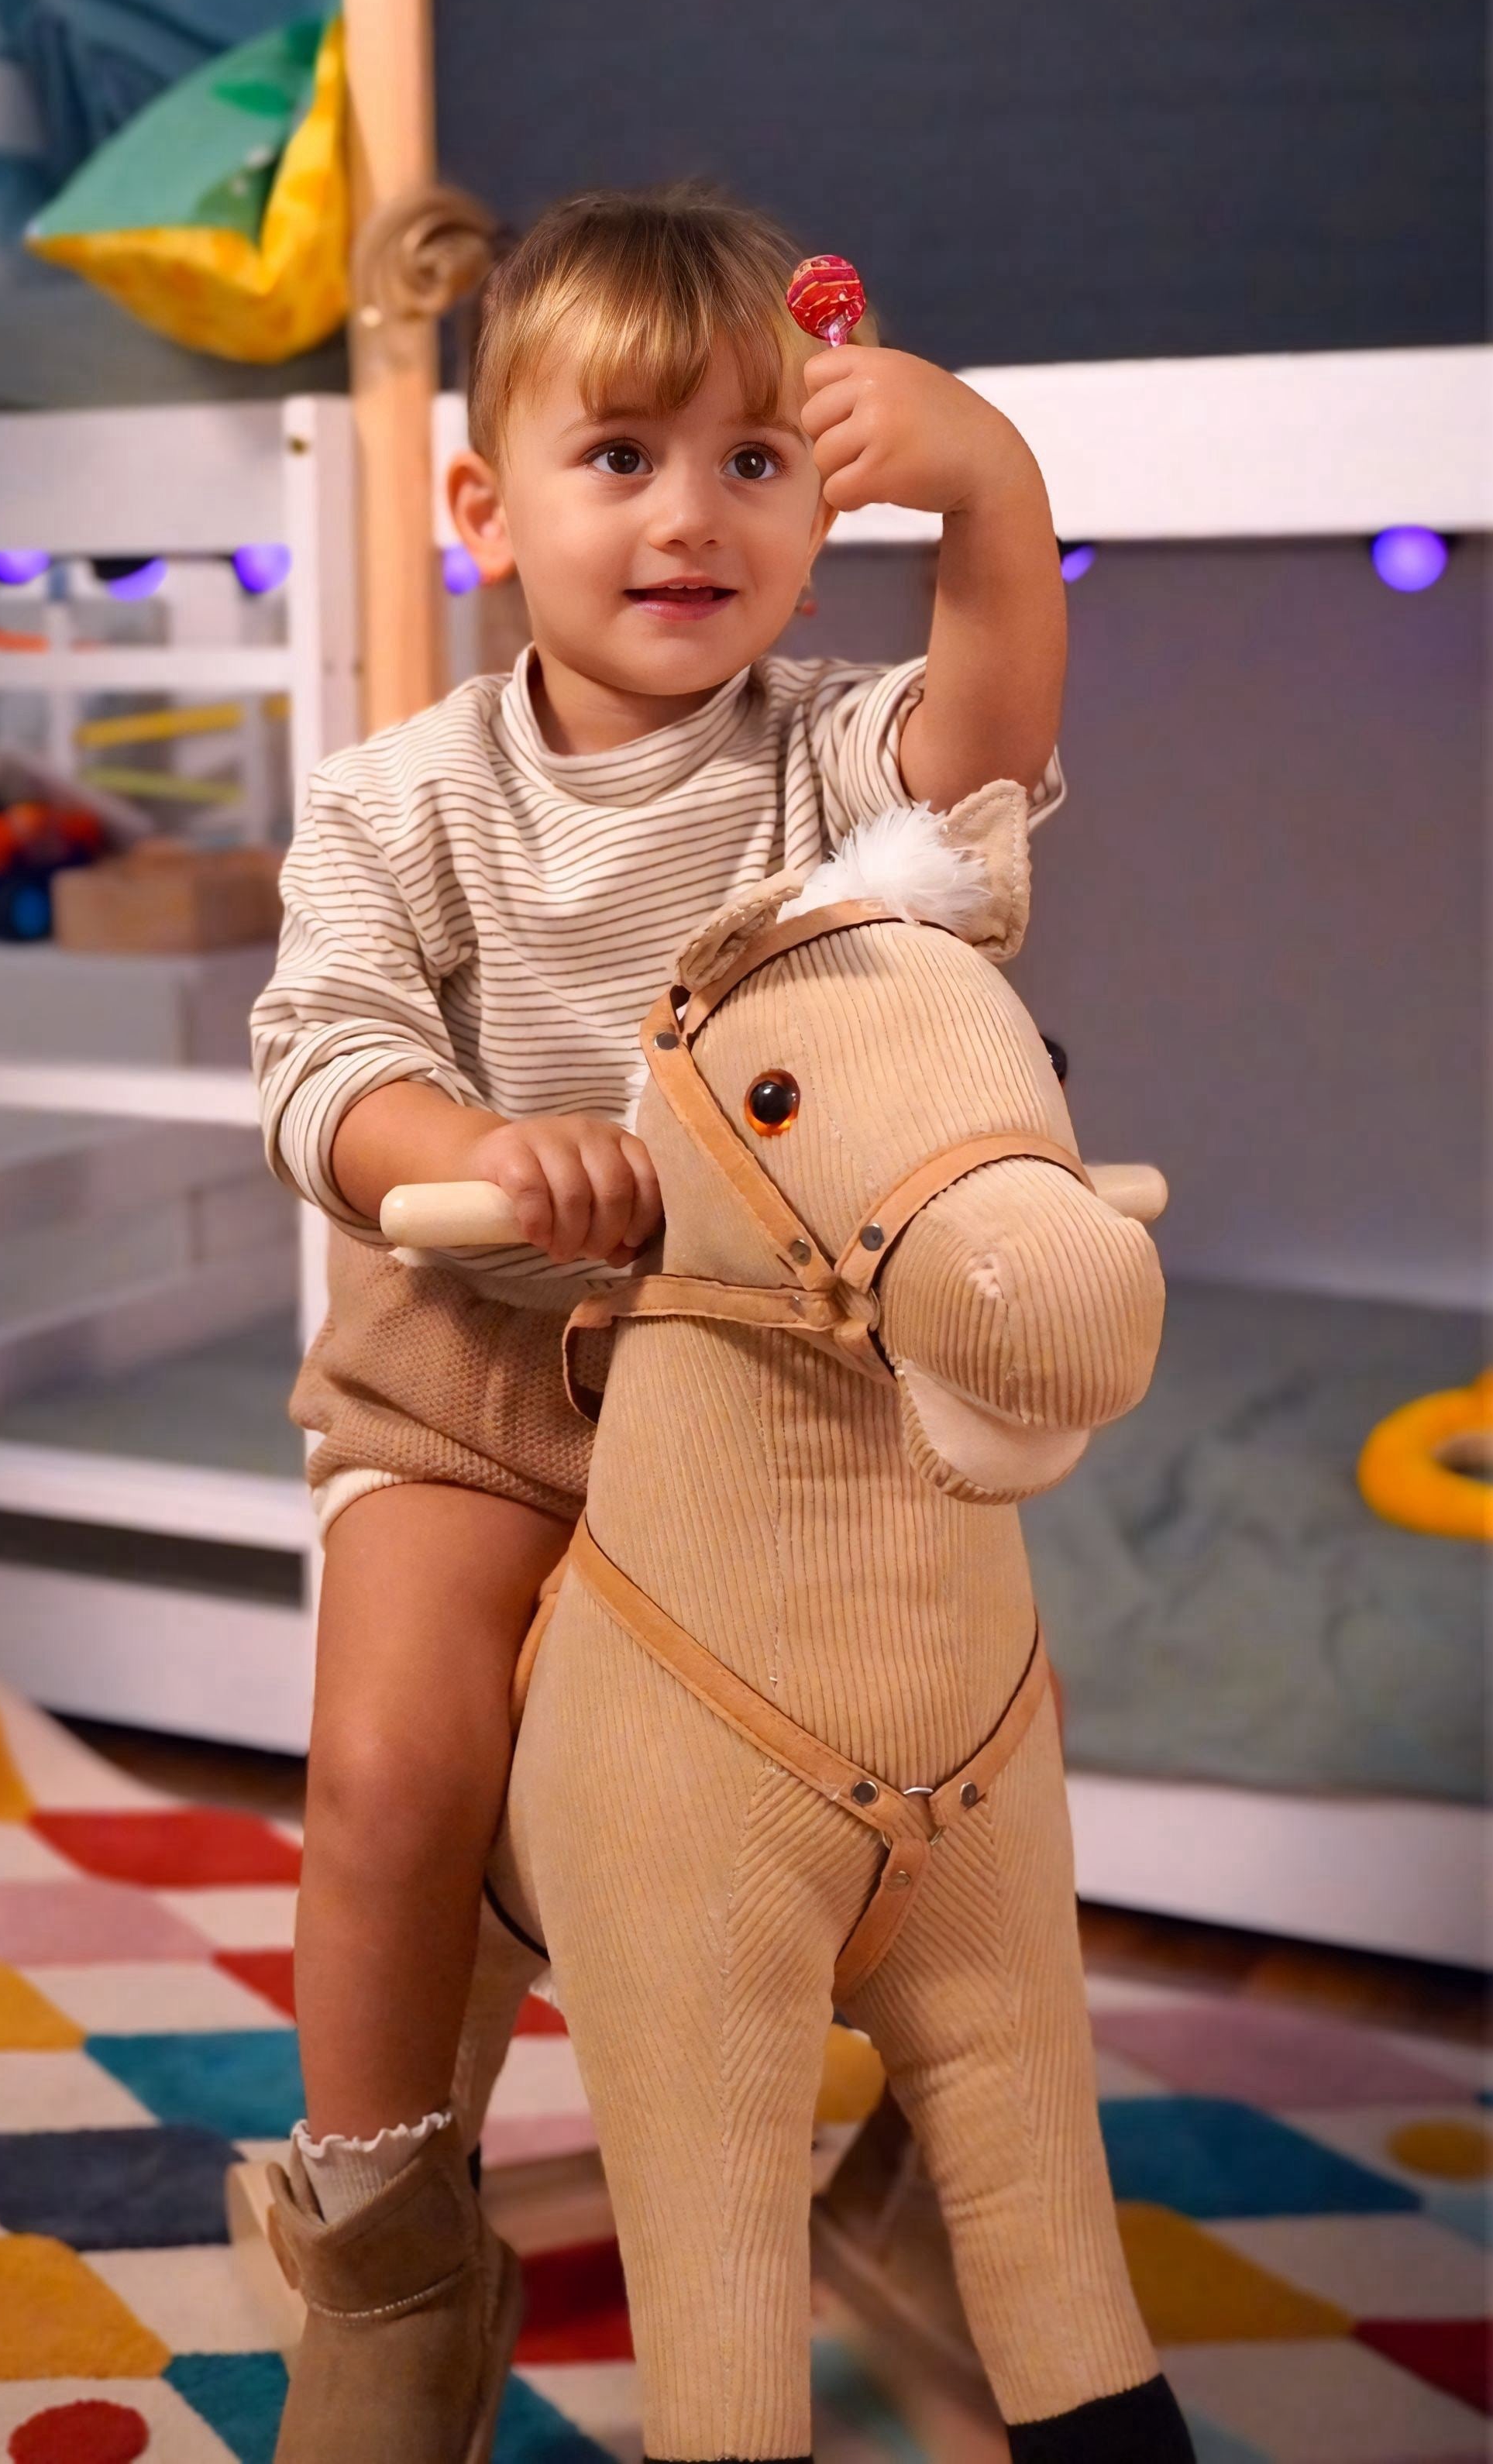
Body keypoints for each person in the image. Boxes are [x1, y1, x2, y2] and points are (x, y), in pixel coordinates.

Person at [251, 184, 1071, 2463]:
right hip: (480, 1382)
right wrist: (473, 1141)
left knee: (954, 1750)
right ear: (483, 510)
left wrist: (993, 487)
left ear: (820, 508)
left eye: (753, 460)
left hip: (784, 1385)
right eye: (618, 457)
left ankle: (950, 2158)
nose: (688, 515)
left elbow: (987, 765)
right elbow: (319, 1061)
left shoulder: (828, 760)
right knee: (391, 1771)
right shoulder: (399, 799)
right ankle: (390, 2252)